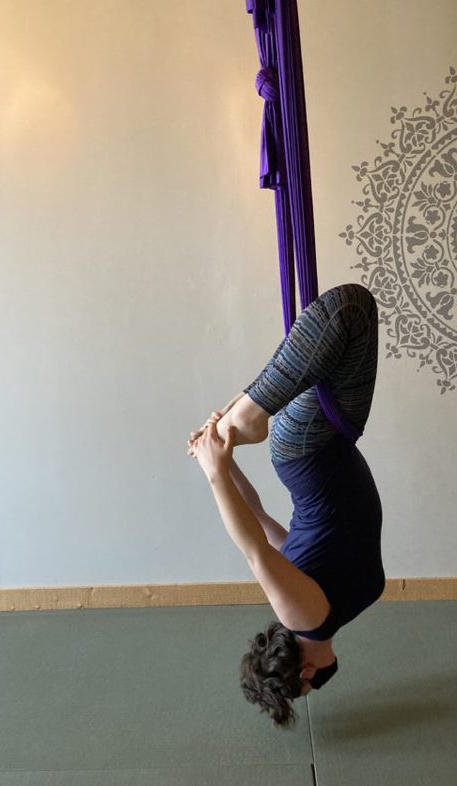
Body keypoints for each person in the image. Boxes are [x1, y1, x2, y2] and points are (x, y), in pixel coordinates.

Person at [187, 282, 385, 727]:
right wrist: (223, 455)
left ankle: (247, 414)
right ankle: (242, 413)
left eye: (305, 690)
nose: (312, 689)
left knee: (348, 312)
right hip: (319, 445)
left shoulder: (305, 616)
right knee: (346, 317)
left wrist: (217, 470)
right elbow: (258, 515)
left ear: (307, 673)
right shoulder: (316, 605)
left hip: (314, 447)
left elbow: (256, 551)